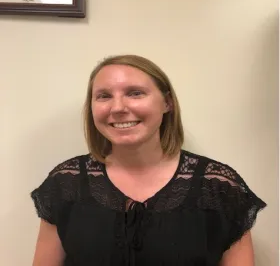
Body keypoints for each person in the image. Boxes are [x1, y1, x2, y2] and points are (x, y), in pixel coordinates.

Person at [31, 54, 266, 266]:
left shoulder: (219, 187)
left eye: (135, 93)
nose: (118, 107)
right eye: (103, 96)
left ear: (167, 103)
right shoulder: (66, 183)